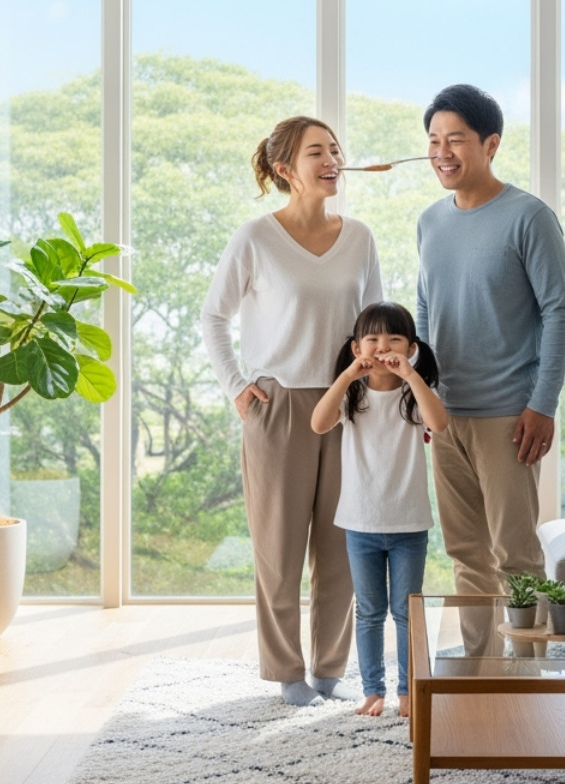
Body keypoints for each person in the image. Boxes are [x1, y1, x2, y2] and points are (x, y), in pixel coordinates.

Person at [201, 115, 383, 707]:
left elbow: (375, 327)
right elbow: (214, 317)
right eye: (316, 152)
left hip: (348, 405)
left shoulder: (359, 237)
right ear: (286, 170)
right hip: (277, 408)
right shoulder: (255, 238)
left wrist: (385, 398)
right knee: (278, 551)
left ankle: (331, 667)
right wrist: (236, 387)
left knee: (341, 551)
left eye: (335, 149)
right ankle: (285, 671)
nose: (332, 159)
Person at [416, 84, 565, 606]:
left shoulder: (529, 217)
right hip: (444, 417)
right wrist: (421, 395)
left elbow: (560, 313)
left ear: (491, 144)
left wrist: (542, 404)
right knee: (465, 556)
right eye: (434, 140)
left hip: (508, 419)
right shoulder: (430, 222)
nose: (442, 152)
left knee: (516, 557)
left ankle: (529, 676)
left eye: (456, 140)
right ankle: (479, 674)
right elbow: (425, 309)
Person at [310, 301, 448, 719]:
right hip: (360, 523)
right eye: (372, 339)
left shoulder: (414, 393)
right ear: (357, 347)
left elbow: (439, 424)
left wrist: (411, 374)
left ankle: (409, 691)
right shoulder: (352, 392)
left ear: (412, 347)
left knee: (408, 613)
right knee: (369, 613)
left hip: (409, 524)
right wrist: (348, 375)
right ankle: (373, 690)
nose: (382, 346)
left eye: (394, 339)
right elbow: (318, 423)